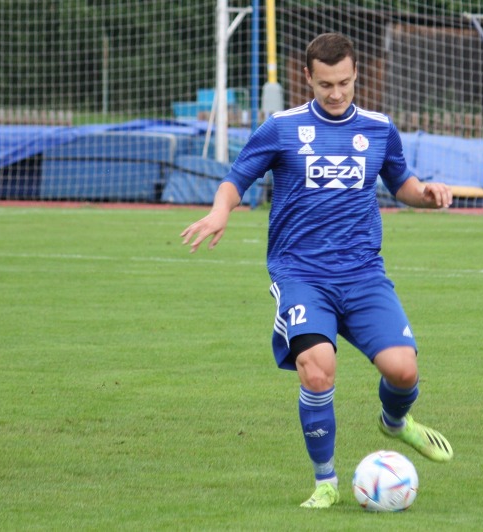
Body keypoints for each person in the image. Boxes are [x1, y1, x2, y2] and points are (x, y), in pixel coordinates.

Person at [181, 32, 454, 509]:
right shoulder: (281, 127)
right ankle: (326, 481)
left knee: (404, 371)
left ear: (356, 75)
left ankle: (394, 423)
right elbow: (236, 179)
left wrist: (425, 194)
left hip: (363, 274)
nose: (336, 93)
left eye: (344, 83)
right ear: (307, 77)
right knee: (317, 368)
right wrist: (221, 211)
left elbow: (402, 183)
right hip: (301, 274)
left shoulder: (378, 128)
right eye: (326, 84)